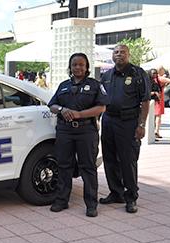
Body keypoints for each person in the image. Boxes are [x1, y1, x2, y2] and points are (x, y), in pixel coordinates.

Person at [48, 53, 109, 217]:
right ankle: (61, 200)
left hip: (86, 131)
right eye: (75, 65)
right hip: (65, 131)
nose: (78, 67)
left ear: (87, 67)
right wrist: (62, 109)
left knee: (88, 167)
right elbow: (52, 105)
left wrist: (80, 114)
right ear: (70, 67)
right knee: (64, 166)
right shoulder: (63, 86)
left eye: (81, 65)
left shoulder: (95, 85)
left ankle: (91, 204)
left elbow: (101, 107)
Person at [99, 44, 151, 213]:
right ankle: (116, 192)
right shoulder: (106, 75)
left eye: (122, 52)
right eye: (116, 52)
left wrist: (141, 124)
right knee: (110, 158)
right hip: (108, 120)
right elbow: (99, 100)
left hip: (128, 122)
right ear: (112, 56)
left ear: (128, 55)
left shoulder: (138, 73)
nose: (119, 55)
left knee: (128, 160)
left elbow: (145, 101)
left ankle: (131, 197)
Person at [153, 66, 170, 138]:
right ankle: (156, 131)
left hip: (153, 98)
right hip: (159, 98)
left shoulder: (153, 78)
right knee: (158, 115)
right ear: (160, 71)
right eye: (163, 70)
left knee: (153, 115)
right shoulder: (161, 78)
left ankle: (152, 131)